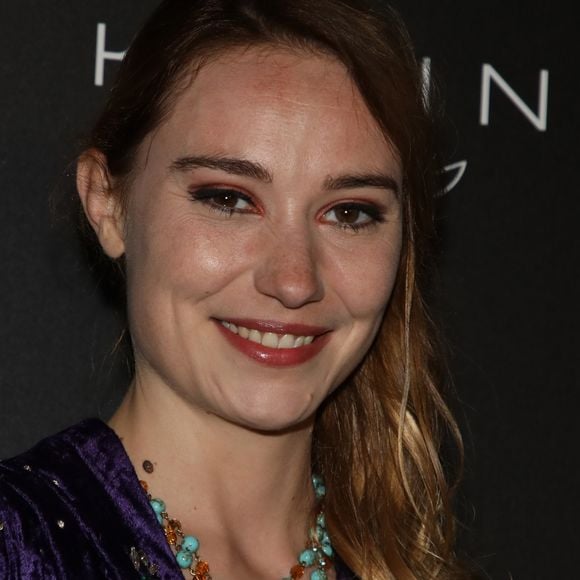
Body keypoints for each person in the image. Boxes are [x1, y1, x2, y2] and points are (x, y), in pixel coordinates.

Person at [0, 0, 470, 578]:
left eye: (349, 213)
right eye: (228, 199)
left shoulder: (406, 563)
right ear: (108, 203)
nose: (294, 281)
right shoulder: (20, 546)